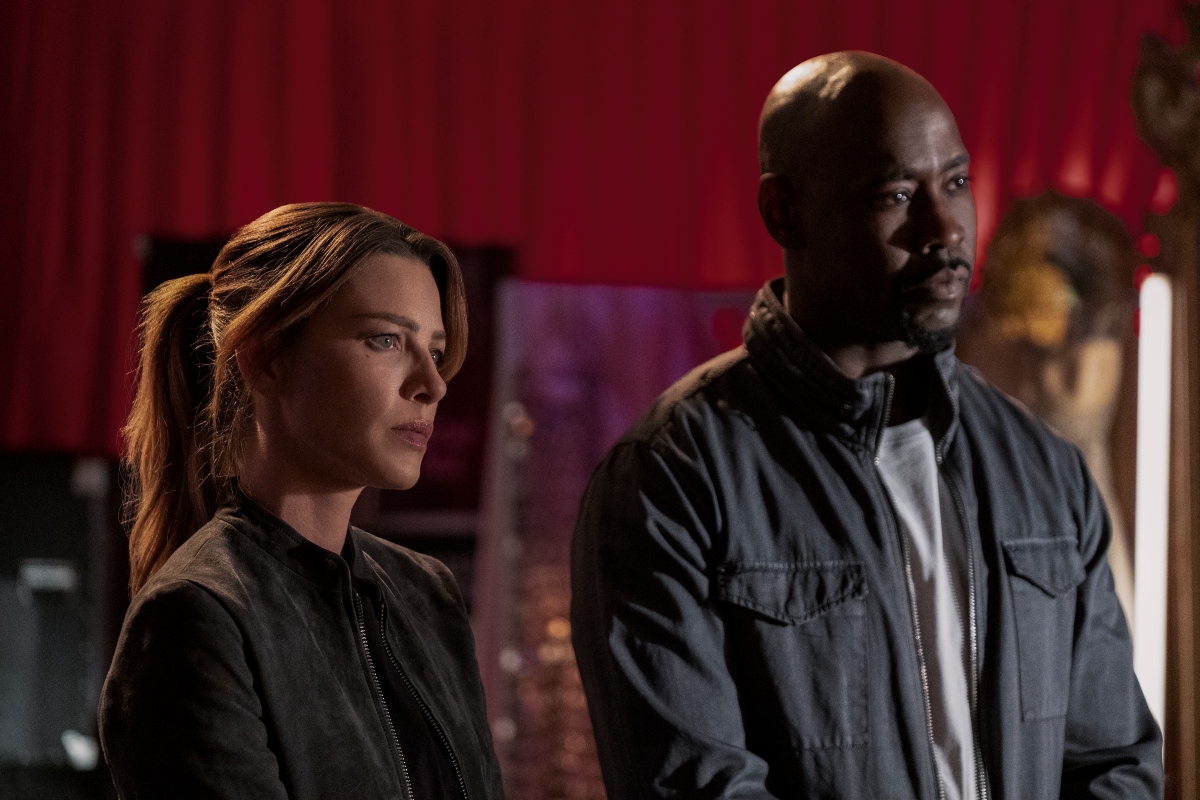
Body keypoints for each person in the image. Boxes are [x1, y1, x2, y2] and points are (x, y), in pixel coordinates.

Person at [571, 52, 1161, 799]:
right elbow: (695, 785)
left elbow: (1114, 764)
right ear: (784, 212)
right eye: (897, 194)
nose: (944, 230)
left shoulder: (1042, 467)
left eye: (955, 183)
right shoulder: (673, 477)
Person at [100, 203, 504, 799]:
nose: (433, 384)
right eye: (386, 340)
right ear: (265, 360)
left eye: (436, 351)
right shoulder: (199, 614)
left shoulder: (426, 593)